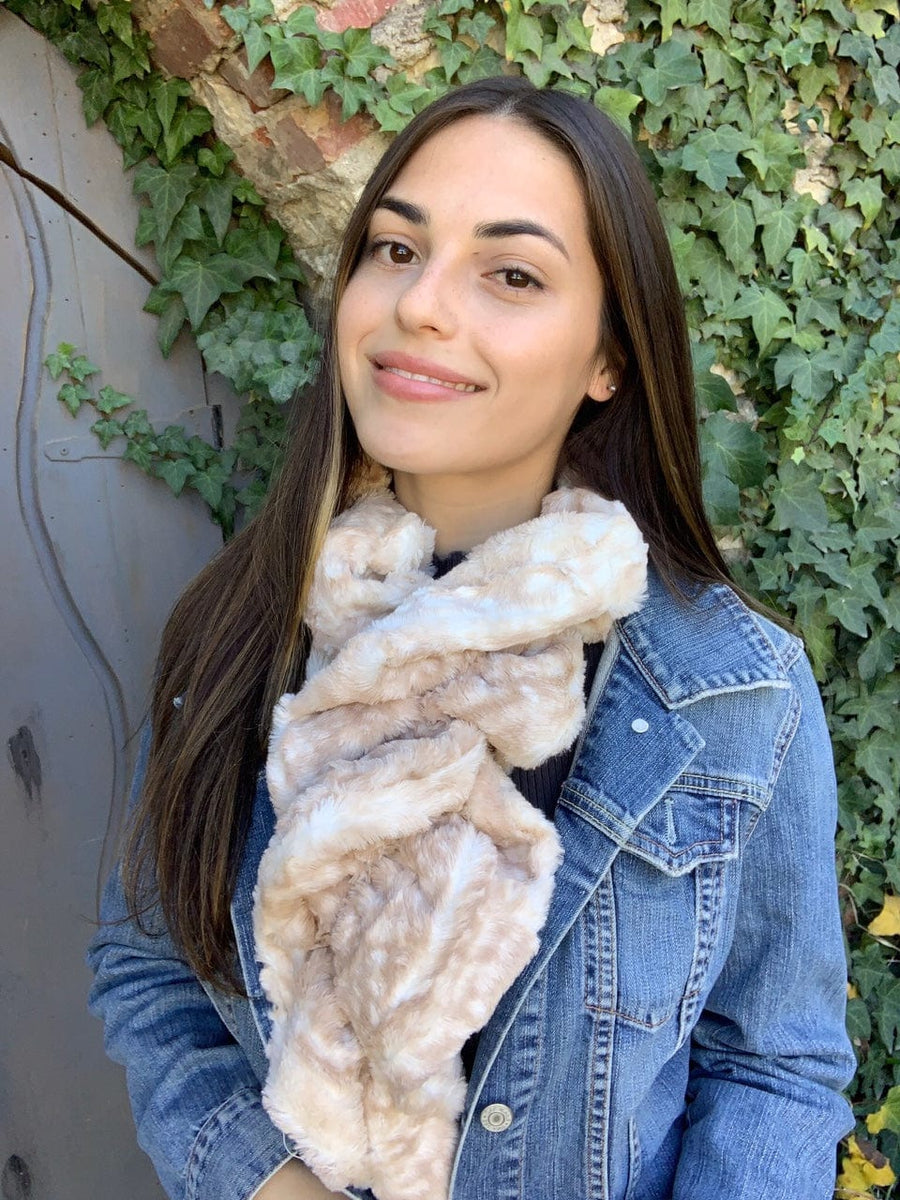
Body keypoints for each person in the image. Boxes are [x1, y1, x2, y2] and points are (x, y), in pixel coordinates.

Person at [87, 76, 855, 1200]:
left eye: (511, 273)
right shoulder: (235, 635)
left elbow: (775, 1062)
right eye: (396, 250)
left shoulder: (732, 690)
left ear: (610, 359)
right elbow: (147, 968)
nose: (421, 307)